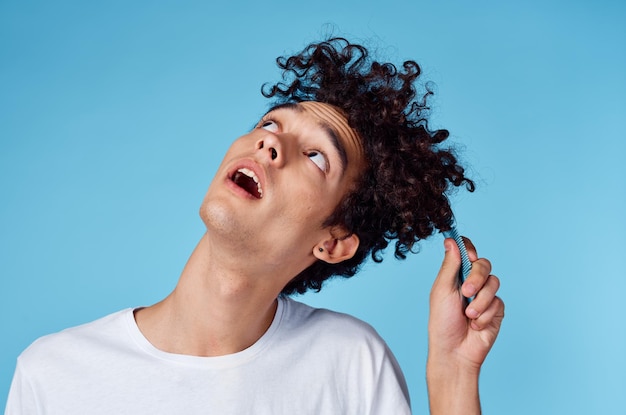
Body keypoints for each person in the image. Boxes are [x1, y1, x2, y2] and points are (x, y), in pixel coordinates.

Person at [5, 37, 504, 414]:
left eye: (315, 156)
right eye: (271, 123)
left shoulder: (351, 362)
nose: (270, 144)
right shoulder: (53, 374)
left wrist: (453, 373)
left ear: (332, 243)